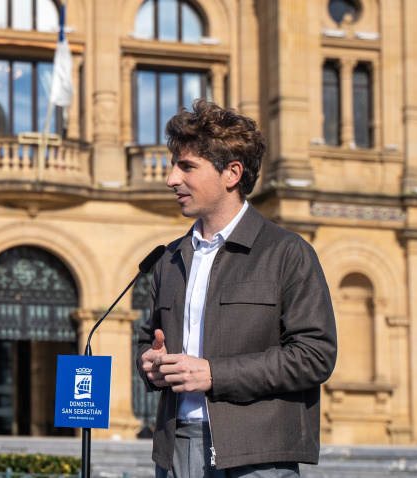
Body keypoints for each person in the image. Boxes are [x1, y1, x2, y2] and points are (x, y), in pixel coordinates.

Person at [137, 101, 337, 478]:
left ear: (231, 173)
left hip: (257, 456)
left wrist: (215, 374)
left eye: (187, 166)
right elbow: (147, 341)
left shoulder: (287, 252)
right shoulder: (170, 259)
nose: (171, 179)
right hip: (176, 449)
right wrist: (150, 363)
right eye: (173, 165)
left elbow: (315, 355)